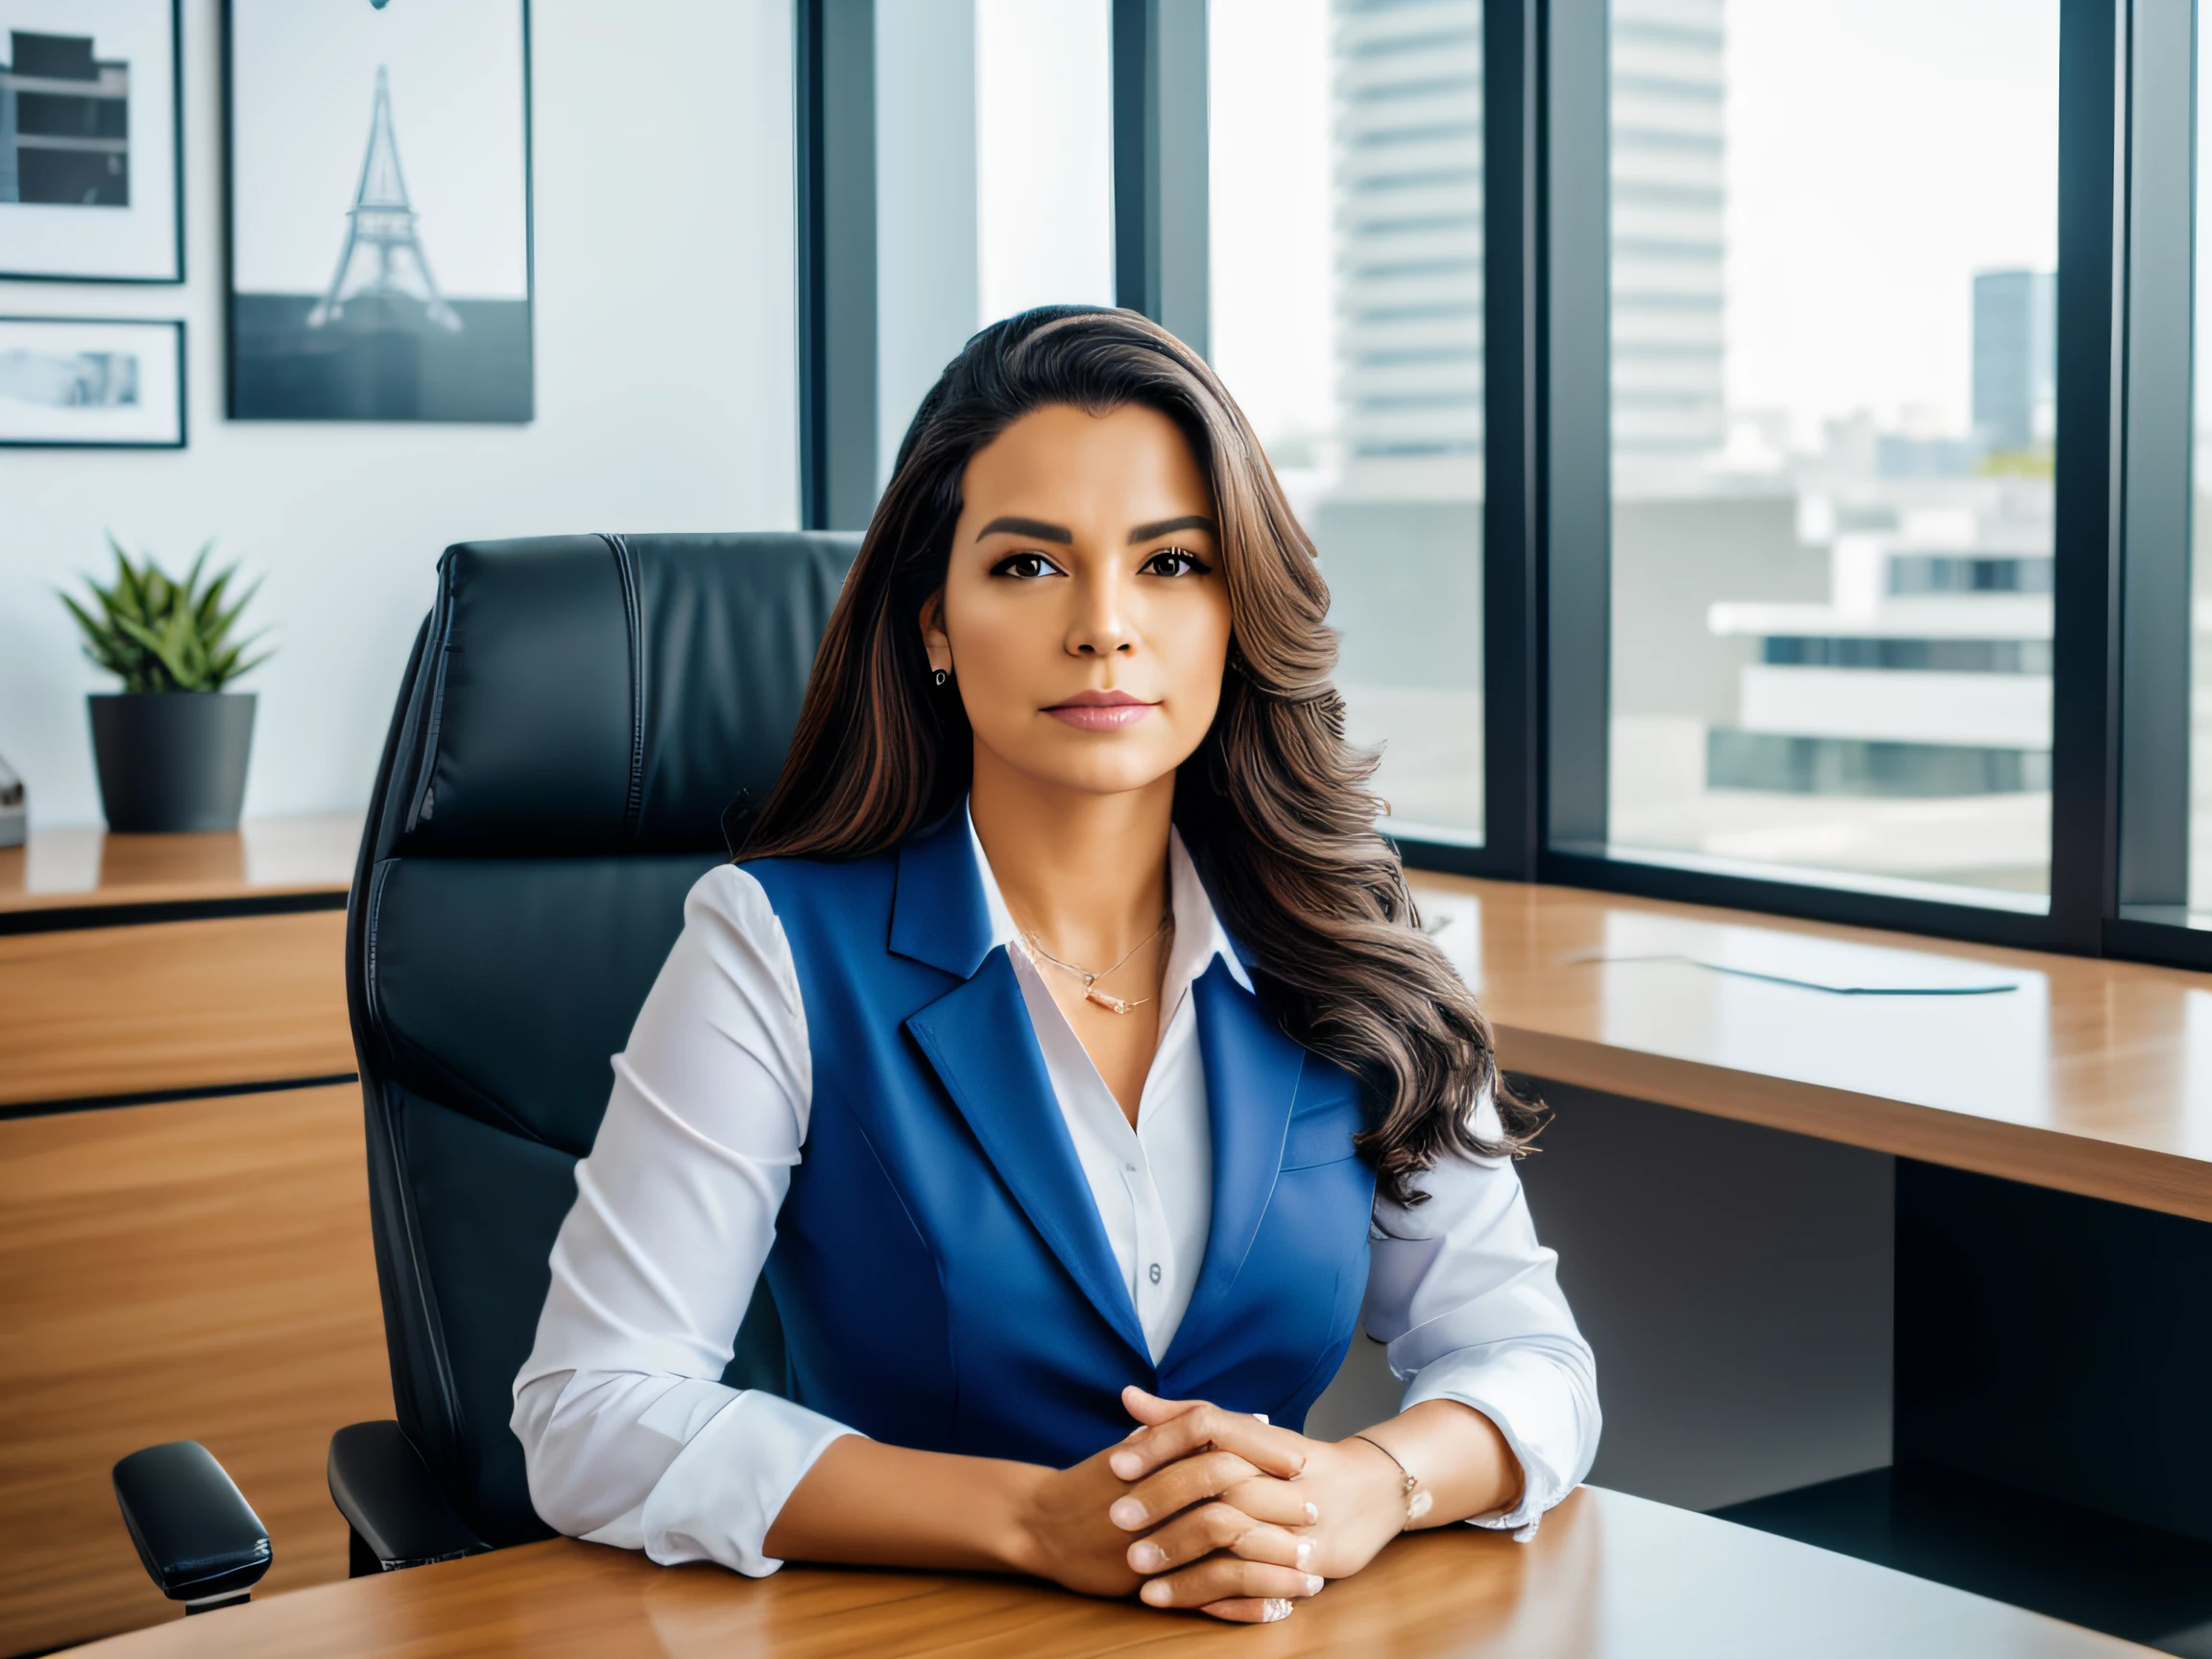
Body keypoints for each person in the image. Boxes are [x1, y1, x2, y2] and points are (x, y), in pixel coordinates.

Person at [513, 306, 1598, 1625]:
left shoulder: (1345, 936)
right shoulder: (774, 947)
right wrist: (1029, 1523)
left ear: (1235, 612)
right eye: (1030, 566)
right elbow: (593, 1413)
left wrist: (1367, 1485)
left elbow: (1529, 1360)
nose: (1104, 628)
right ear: (933, 624)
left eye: (1173, 565)